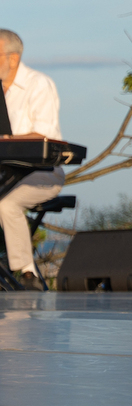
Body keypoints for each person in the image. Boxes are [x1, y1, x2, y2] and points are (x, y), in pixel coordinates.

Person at [0, 30, 64, 292]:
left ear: (12, 59)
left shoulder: (39, 84)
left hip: (42, 173)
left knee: (5, 202)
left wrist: (6, 139)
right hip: (4, 172)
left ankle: (27, 273)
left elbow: (45, 135)